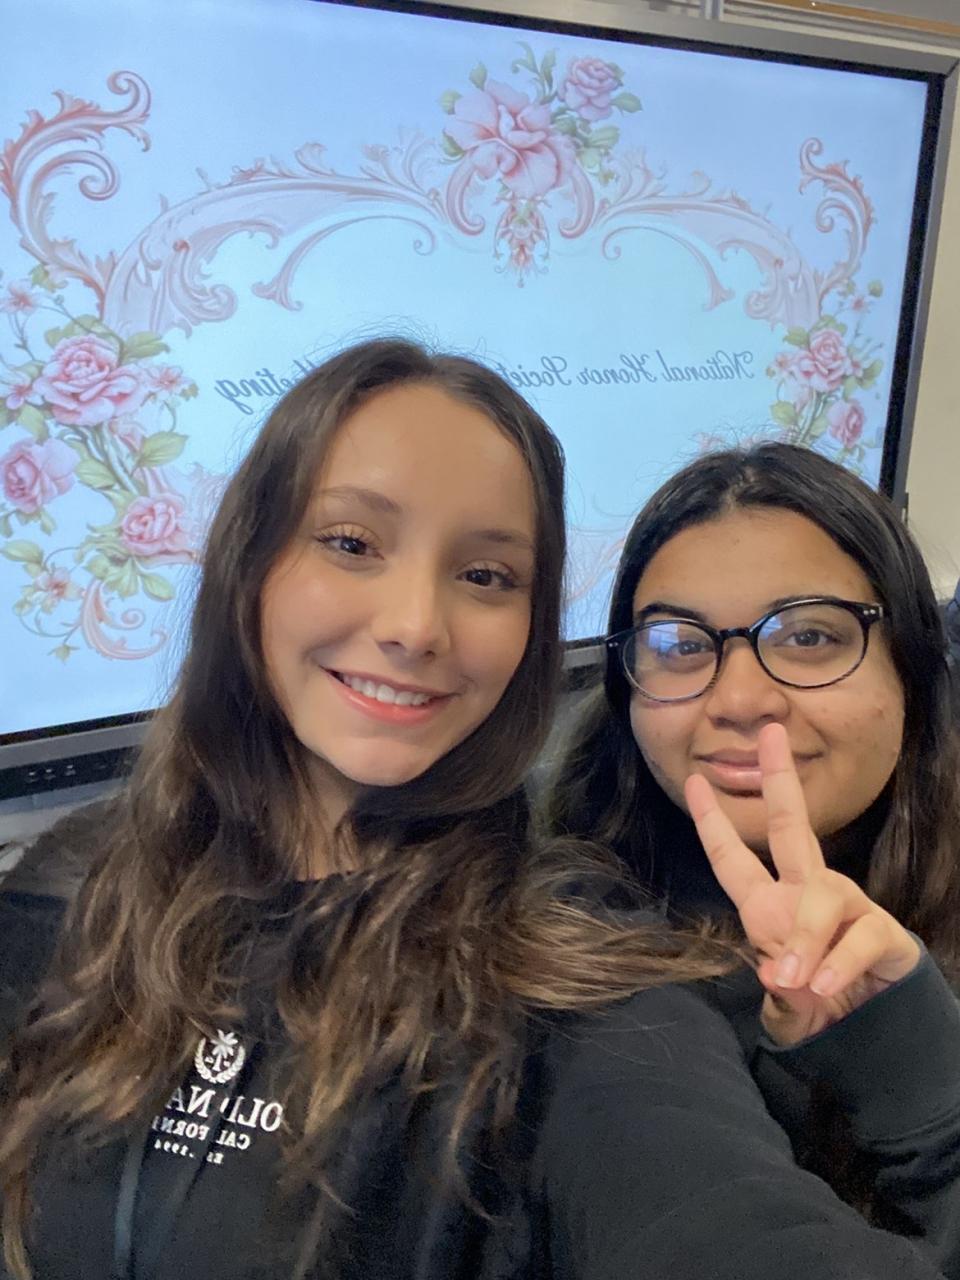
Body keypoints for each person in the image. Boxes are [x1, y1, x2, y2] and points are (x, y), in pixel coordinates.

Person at [2, 352, 960, 1280]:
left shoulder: (574, 981)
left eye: (487, 575)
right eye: (351, 543)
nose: (415, 626)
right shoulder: (76, 884)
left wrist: (913, 1060)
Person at [546, 441, 960, 1269]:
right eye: (680, 643)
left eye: (808, 636)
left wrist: (916, 1061)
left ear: (911, 671)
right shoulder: (574, 944)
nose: (739, 700)